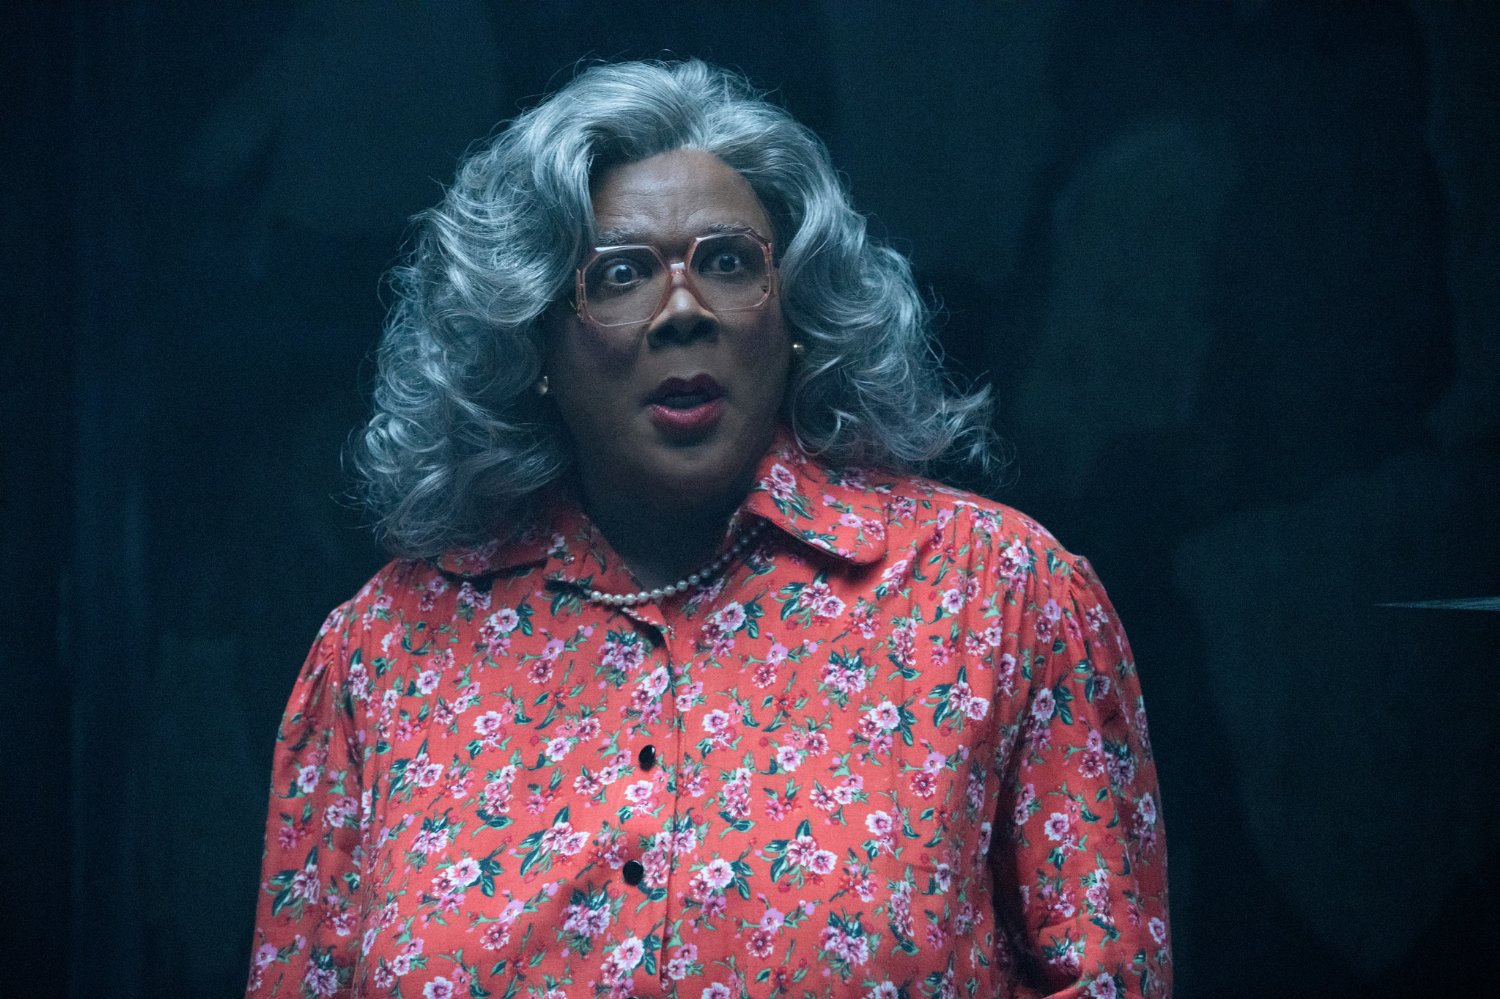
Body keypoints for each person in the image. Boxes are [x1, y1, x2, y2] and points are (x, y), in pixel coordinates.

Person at [245, 59, 1171, 999]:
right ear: (532, 340)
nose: (683, 312)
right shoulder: (381, 656)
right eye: (619, 275)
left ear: (795, 311)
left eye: (729, 263)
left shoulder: (997, 594)